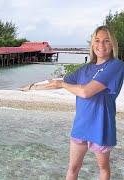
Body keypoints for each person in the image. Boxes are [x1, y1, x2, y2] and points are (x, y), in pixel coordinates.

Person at [45, 26, 124, 179]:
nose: (101, 45)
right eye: (97, 40)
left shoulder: (116, 65)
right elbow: (60, 81)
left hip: (101, 125)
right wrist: (30, 87)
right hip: (80, 126)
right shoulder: (85, 69)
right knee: (73, 169)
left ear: (113, 44)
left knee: (103, 168)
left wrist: (62, 85)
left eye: (106, 41)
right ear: (92, 44)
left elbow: (85, 92)